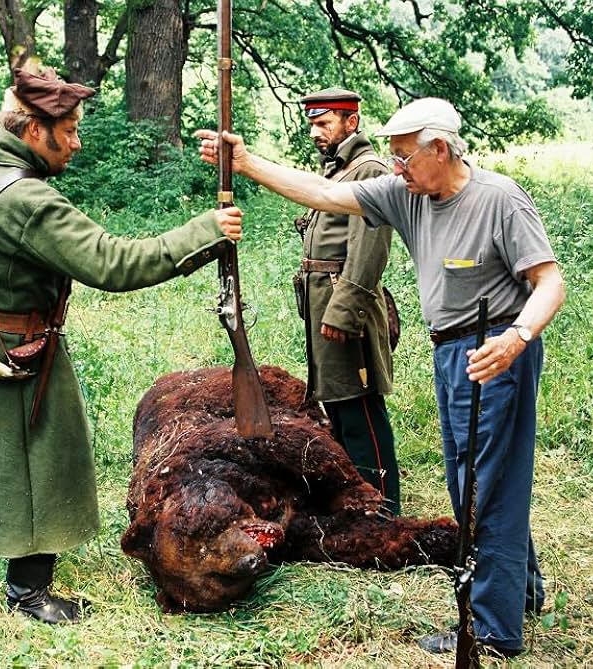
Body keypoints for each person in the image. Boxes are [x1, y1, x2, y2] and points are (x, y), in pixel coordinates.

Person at [196, 97, 565, 658]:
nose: (396, 169)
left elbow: (549, 283)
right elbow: (322, 193)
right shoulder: (406, 193)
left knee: (485, 485)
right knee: (476, 478)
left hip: (497, 349)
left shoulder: (499, 199)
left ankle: (492, 629)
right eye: (392, 158)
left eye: (405, 158)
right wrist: (245, 162)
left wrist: (517, 339)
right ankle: (523, 590)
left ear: (439, 150)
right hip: (450, 353)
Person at [0, 67, 245, 625]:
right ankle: (27, 591)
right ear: (31, 130)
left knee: (2, 451)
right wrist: (205, 230)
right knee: (35, 459)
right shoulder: (28, 201)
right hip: (21, 351)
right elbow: (112, 263)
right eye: (68, 131)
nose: (76, 142)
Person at [293, 88, 400, 515]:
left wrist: (344, 310)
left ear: (351, 122)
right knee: (336, 404)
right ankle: (354, 500)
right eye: (313, 125)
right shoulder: (339, 170)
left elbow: (368, 250)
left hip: (344, 305)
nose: (316, 132)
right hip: (323, 300)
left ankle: (382, 507)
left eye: (324, 123)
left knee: (360, 409)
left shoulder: (368, 169)